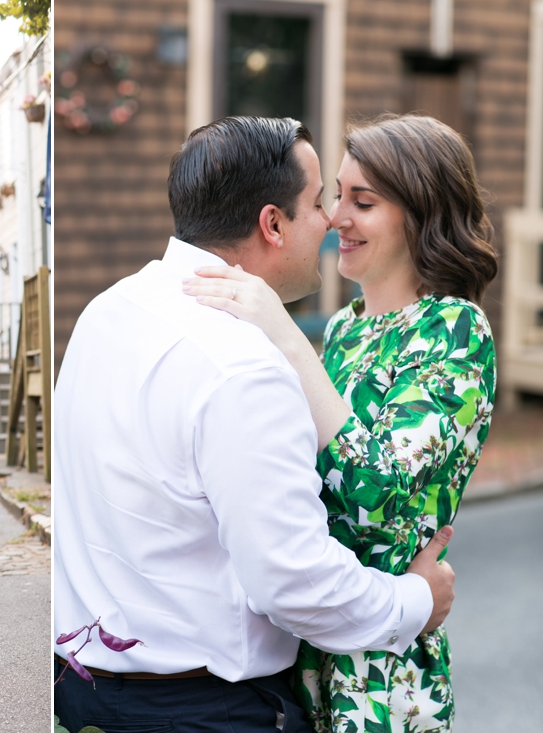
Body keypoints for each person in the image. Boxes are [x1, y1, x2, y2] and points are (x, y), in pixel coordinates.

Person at [53, 117, 458, 733]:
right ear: (273, 224)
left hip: (80, 692)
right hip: (200, 710)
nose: (329, 221)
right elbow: (294, 581)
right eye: (319, 201)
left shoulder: (106, 311)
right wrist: (417, 600)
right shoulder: (241, 362)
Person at [183, 114, 497, 733]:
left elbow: (376, 494)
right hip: (300, 646)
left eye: (364, 202)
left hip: (382, 668)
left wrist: (286, 337)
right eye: (335, 197)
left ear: (421, 212)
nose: (336, 219)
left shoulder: (455, 331)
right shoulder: (347, 329)